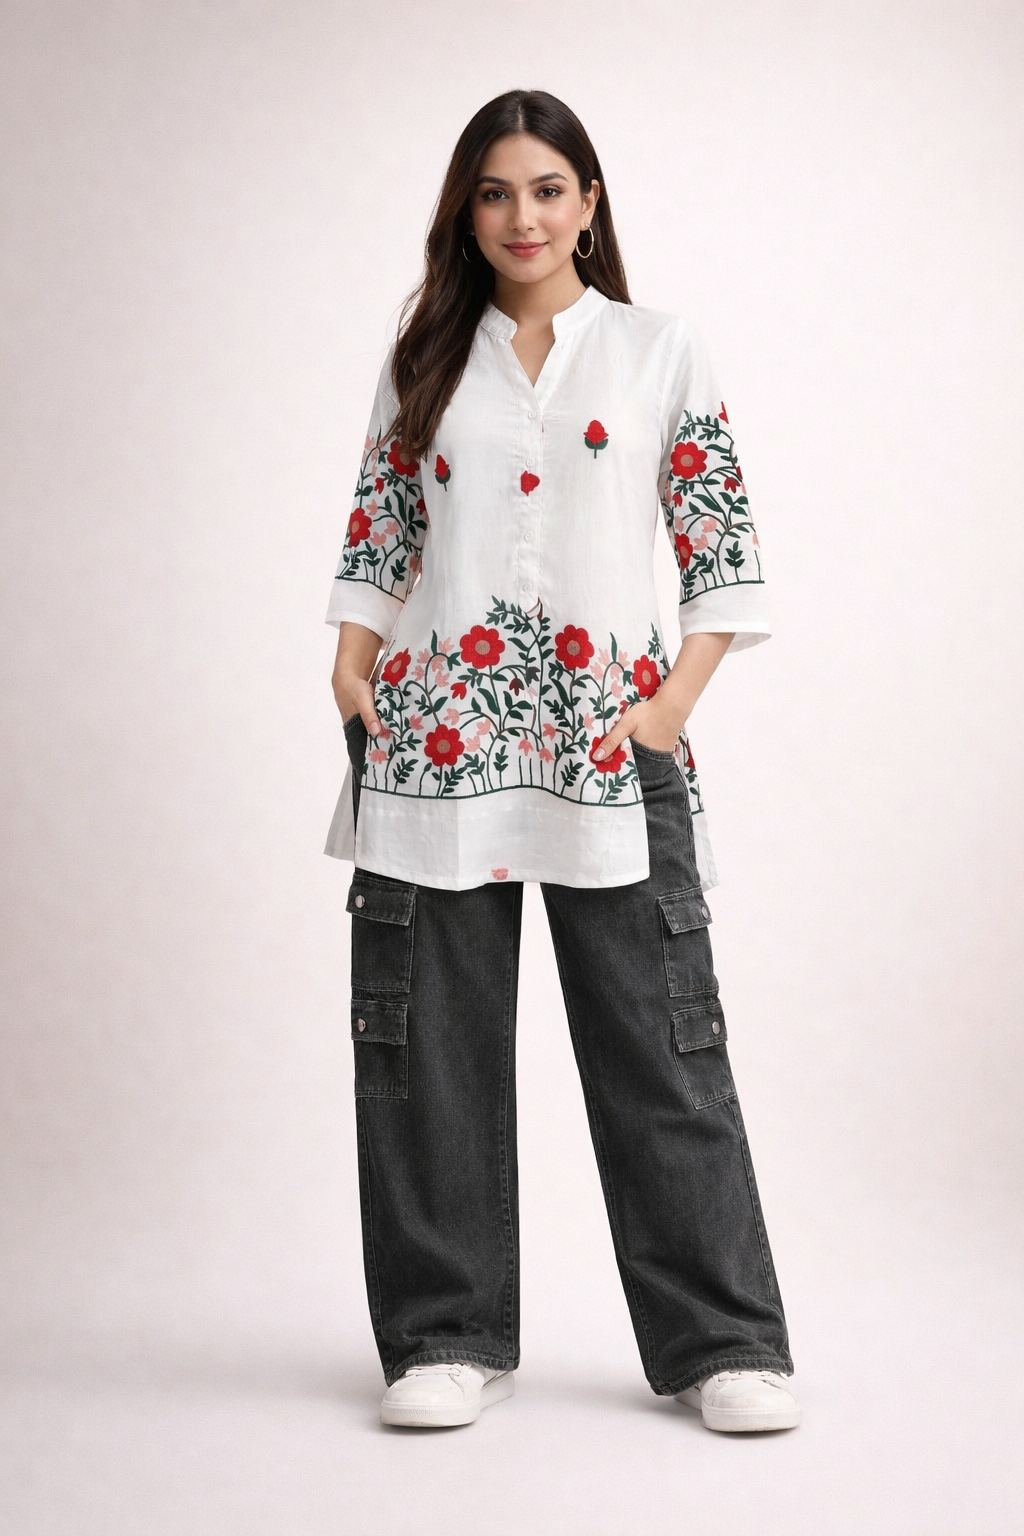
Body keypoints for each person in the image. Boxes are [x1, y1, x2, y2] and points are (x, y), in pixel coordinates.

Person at [324, 88, 800, 1434]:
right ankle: (444, 1334)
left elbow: (722, 548)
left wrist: (667, 710)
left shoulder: (659, 350)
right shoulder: (426, 356)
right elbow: (379, 530)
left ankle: (725, 1344)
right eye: (494, 192)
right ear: (465, 213)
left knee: (663, 1046)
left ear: (588, 202)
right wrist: (351, 665)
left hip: (609, 744)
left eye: (545, 189)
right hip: (436, 743)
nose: (520, 217)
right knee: (428, 1054)